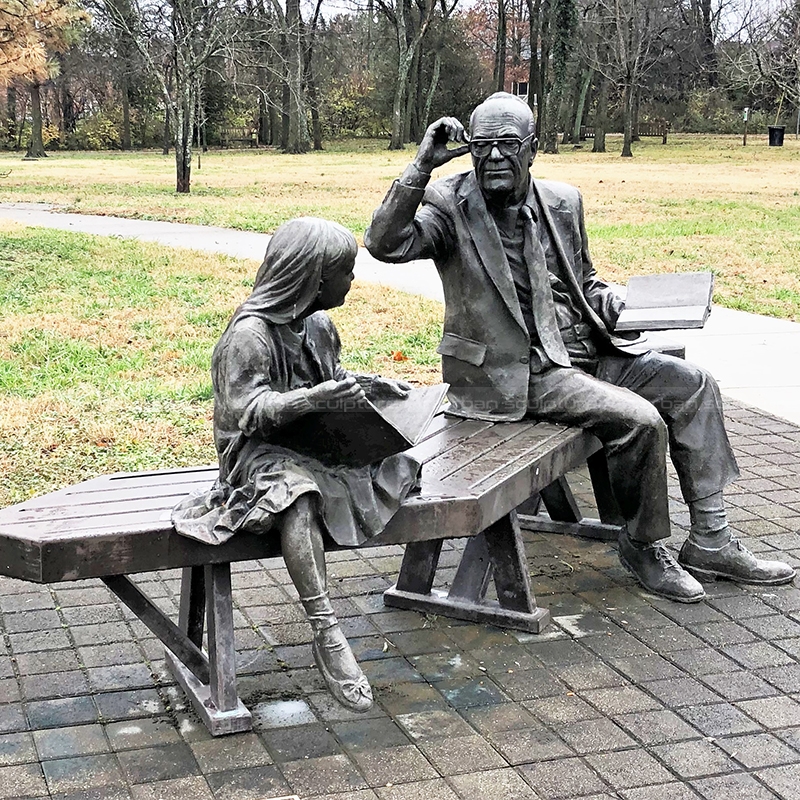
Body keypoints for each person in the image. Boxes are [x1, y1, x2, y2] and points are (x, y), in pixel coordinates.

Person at [365, 92, 795, 603]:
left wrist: (624, 305)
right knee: (639, 421)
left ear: (533, 147)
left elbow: (584, 281)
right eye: (482, 146)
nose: (494, 157)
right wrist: (421, 165)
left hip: (586, 352)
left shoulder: (563, 201)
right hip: (519, 373)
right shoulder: (448, 205)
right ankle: (642, 544)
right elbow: (384, 243)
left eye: (507, 144)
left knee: (693, 385)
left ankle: (711, 540)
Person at [173, 217, 420, 712]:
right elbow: (248, 413)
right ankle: (326, 630)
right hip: (255, 453)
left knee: (399, 462)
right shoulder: (249, 336)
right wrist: (311, 400)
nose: (352, 281)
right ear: (312, 277)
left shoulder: (320, 326)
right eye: (344, 272)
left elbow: (330, 379)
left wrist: (366, 387)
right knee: (298, 495)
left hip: (311, 440)